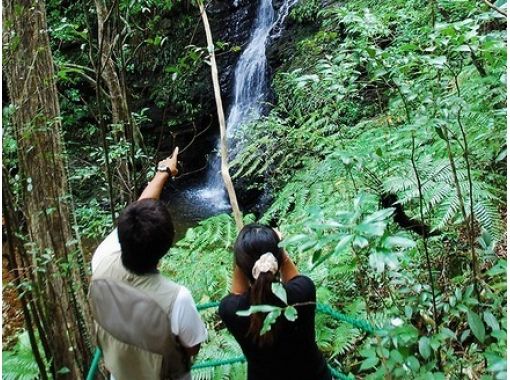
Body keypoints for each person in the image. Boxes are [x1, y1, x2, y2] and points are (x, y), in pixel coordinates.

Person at [89, 147, 207, 380]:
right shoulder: (177, 299)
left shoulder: (102, 258)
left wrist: (163, 172)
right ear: (165, 247)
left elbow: (139, 208)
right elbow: (193, 347)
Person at [219, 224, 332, 380]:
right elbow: (294, 279)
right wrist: (280, 248)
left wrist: (239, 257)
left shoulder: (231, 310)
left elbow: (237, 293)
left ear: (240, 265)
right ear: (278, 258)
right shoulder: (304, 291)